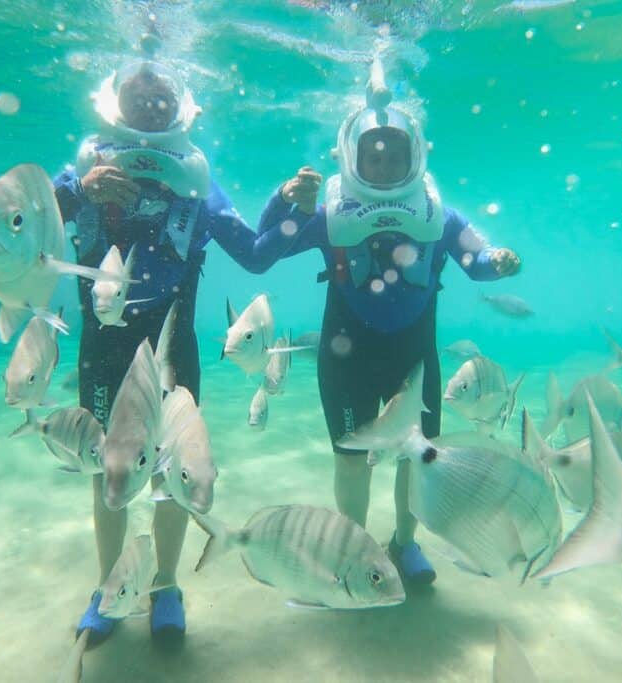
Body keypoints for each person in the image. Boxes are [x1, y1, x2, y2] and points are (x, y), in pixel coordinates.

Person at [53, 60, 289, 646]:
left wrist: (286, 205)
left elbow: (256, 256)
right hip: (102, 344)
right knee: (108, 467)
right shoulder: (84, 169)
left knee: (172, 471)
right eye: (140, 96)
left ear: (181, 106)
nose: (152, 108)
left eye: (163, 99)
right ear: (116, 103)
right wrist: (79, 191)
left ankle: (163, 586)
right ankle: (110, 587)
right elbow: (29, 226)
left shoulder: (197, 183)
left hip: (173, 342)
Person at [254, 84, 521, 587]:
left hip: (411, 355)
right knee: (352, 459)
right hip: (347, 352)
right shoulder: (328, 212)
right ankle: (355, 550)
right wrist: (285, 200)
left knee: (416, 457)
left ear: (415, 157)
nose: (383, 166)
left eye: (395, 156)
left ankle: (405, 542)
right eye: (372, 156)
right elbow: (260, 253)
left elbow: (476, 260)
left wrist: (500, 262)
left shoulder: (438, 215)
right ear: (351, 158)